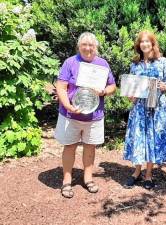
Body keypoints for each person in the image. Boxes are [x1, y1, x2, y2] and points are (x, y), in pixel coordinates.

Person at [54, 32, 116, 198]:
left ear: (96, 47)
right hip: (71, 114)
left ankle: (88, 178)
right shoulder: (70, 62)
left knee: (90, 147)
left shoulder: (103, 64)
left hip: (94, 115)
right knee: (70, 146)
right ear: (79, 46)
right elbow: (61, 86)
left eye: (91, 45)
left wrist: (104, 91)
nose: (88, 48)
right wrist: (67, 105)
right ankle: (67, 180)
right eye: (84, 45)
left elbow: (112, 86)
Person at [123, 30, 166, 189]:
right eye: (141, 42)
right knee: (138, 138)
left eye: (147, 41)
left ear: (153, 43)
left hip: (156, 106)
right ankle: (136, 172)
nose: (144, 44)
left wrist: (164, 87)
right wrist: (130, 95)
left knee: (152, 138)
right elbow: (131, 87)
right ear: (139, 45)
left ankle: (149, 174)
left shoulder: (163, 62)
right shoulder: (134, 64)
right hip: (139, 108)